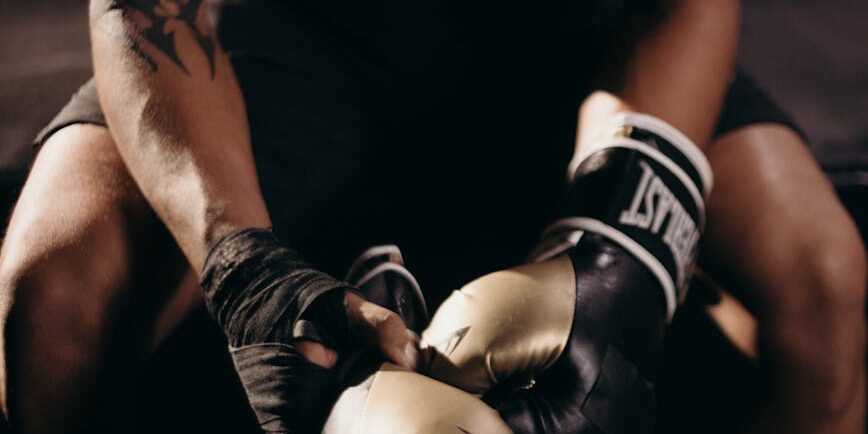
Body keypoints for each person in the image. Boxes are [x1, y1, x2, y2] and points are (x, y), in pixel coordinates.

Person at [0, 0, 863, 432]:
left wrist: (617, 245)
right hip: (287, 34)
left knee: (821, 279)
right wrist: (243, 265)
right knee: (55, 292)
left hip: (571, 36)